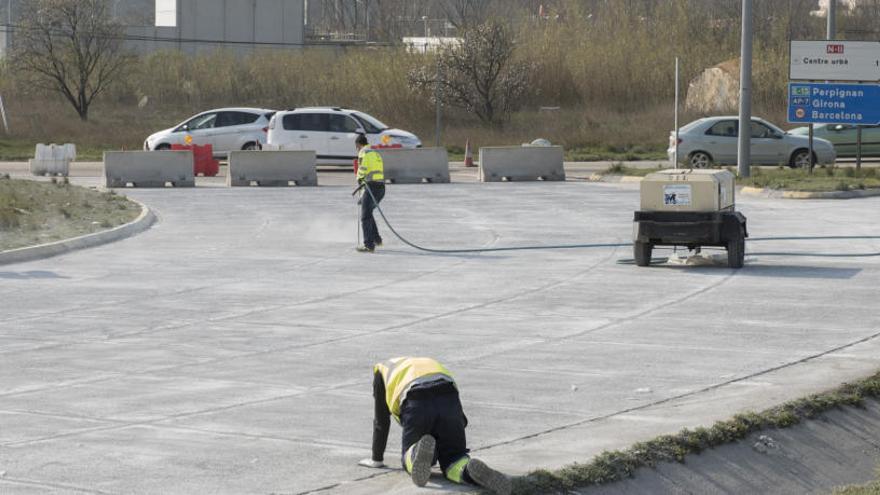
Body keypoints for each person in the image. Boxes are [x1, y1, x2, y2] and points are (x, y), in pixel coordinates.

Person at [358, 357, 511, 495]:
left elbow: (381, 421)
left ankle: (415, 452)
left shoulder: (381, 370)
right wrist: (453, 439)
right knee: (454, 458)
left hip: (416, 401)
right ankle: (467, 471)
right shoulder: (428, 363)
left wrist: (376, 459)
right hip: (448, 398)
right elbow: (460, 416)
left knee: (409, 457)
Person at [355, 134, 384, 253]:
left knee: (365, 216)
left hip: (371, 187)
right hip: (381, 187)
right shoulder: (375, 152)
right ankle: (377, 239)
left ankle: (368, 245)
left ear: (358, 145)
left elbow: (362, 168)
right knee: (368, 213)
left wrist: (359, 178)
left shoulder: (363, 152)